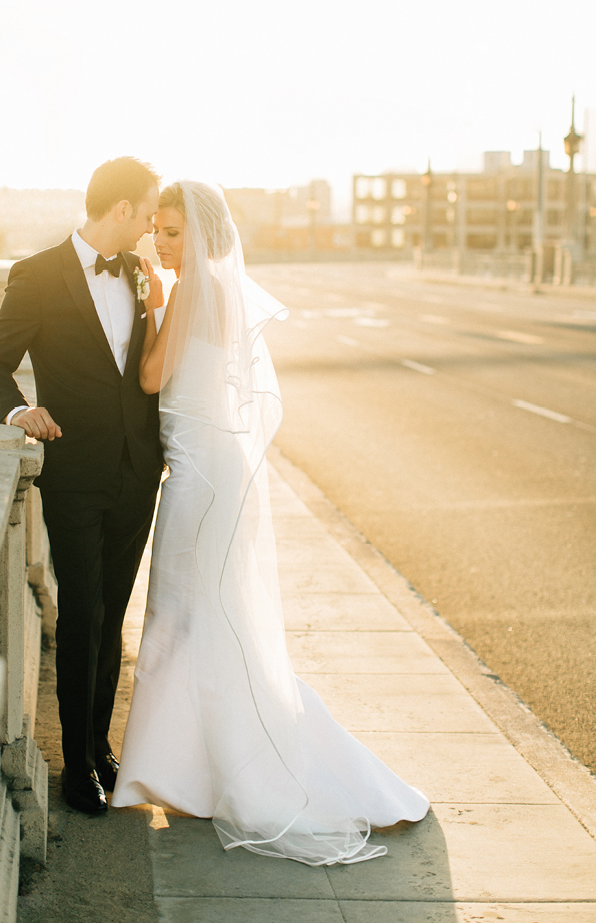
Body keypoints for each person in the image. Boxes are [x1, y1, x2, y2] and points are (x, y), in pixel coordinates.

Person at [111, 180, 429, 864]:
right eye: (157, 231)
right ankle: (187, 770)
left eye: (172, 233)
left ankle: (205, 773)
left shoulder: (194, 289)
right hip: (211, 468)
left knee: (187, 621)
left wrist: (157, 299)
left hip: (202, 479)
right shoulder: (222, 287)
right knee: (204, 622)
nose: (159, 243)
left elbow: (149, 377)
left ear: (198, 236)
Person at [0, 157, 165, 816]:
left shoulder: (141, 274)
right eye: (145, 215)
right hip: (75, 472)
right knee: (81, 612)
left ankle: (101, 743)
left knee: (113, 614)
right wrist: (18, 410)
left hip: (139, 471)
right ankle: (76, 767)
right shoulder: (36, 275)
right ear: (119, 210)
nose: (148, 228)